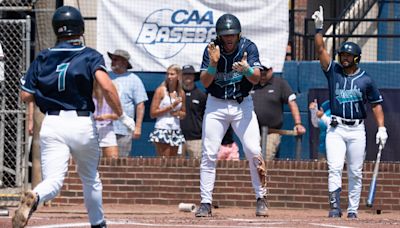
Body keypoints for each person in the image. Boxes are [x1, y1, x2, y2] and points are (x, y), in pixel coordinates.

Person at [13, 6, 135, 228]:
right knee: (90, 179)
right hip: (81, 123)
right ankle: (98, 223)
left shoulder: (43, 56)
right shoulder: (89, 55)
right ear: (80, 28)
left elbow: (25, 95)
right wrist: (123, 116)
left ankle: (36, 195)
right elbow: (107, 87)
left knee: (53, 182)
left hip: (52, 122)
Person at [312, 6, 388, 219]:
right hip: (336, 127)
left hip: (357, 130)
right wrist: (319, 29)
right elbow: (321, 51)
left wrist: (381, 127)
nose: (344, 58)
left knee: (355, 171)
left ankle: (353, 209)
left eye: (348, 55)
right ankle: (335, 207)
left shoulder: (366, 79)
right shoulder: (333, 72)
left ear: (356, 57)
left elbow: (376, 104)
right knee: (334, 167)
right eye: (342, 54)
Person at [195, 13, 268, 217]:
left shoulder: (248, 47)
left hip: (242, 104)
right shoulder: (212, 49)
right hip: (216, 104)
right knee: (209, 153)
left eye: (232, 34)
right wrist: (212, 64)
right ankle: (205, 202)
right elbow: (206, 82)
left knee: (253, 150)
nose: (229, 38)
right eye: (225, 35)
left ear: (238, 34)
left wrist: (246, 69)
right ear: (219, 35)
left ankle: (261, 197)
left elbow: (256, 79)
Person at [251, 64, 306, 160]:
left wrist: (298, 123)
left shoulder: (280, 84)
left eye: (265, 71)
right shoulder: (252, 84)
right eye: (260, 71)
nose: (262, 74)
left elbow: (292, 102)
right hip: (252, 132)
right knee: (251, 159)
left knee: (265, 159)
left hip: (272, 132)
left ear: (271, 70)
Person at [108, 49, 148, 157]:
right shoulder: (106, 77)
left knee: (120, 161)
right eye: (112, 59)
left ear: (124, 62)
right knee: (102, 162)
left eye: (116, 59)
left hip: (123, 128)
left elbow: (140, 105)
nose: (112, 61)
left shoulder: (134, 79)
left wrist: (138, 127)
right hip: (105, 128)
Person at [149, 64, 186, 156]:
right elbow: (153, 113)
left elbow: (184, 113)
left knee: (173, 161)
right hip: (162, 128)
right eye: (167, 74)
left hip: (175, 129)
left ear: (178, 76)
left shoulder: (181, 93)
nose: (169, 77)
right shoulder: (161, 90)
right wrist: (171, 106)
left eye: (172, 74)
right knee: (163, 159)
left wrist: (178, 113)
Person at [179, 64, 207, 159]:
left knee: (196, 169)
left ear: (194, 76)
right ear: (181, 76)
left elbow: (205, 116)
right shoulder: (176, 94)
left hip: (196, 139)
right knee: (176, 168)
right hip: (177, 137)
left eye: (190, 74)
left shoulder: (201, 95)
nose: (188, 76)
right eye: (185, 74)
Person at [93, 81, 119, 158]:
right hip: (90, 128)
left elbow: (117, 115)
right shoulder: (85, 93)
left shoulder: (110, 96)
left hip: (107, 128)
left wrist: (106, 116)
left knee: (113, 159)